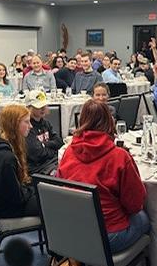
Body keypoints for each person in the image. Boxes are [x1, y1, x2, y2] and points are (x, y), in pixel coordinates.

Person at [58, 100, 148, 253]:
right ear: (109, 121)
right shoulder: (119, 156)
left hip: (74, 230)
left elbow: (61, 190)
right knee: (145, 218)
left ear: (82, 120)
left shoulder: (68, 152)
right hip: (108, 235)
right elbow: (135, 204)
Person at [0, 104, 38, 218]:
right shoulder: (6, 158)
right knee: (52, 202)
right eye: (26, 122)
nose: (30, 126)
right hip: (8, 209)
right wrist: (34, 189)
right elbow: (17, 198)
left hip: (6, 202)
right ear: (14, 125)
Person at [25, 90, 63, 175]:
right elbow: (36, 154)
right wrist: (54, 151)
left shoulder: (45, 123)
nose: (42, 109)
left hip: (52, 163)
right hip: (37, 169)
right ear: (29, 108)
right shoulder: (27, 127)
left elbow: (59, 142)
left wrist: (44, 144)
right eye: (38, 107)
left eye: (44, 106)